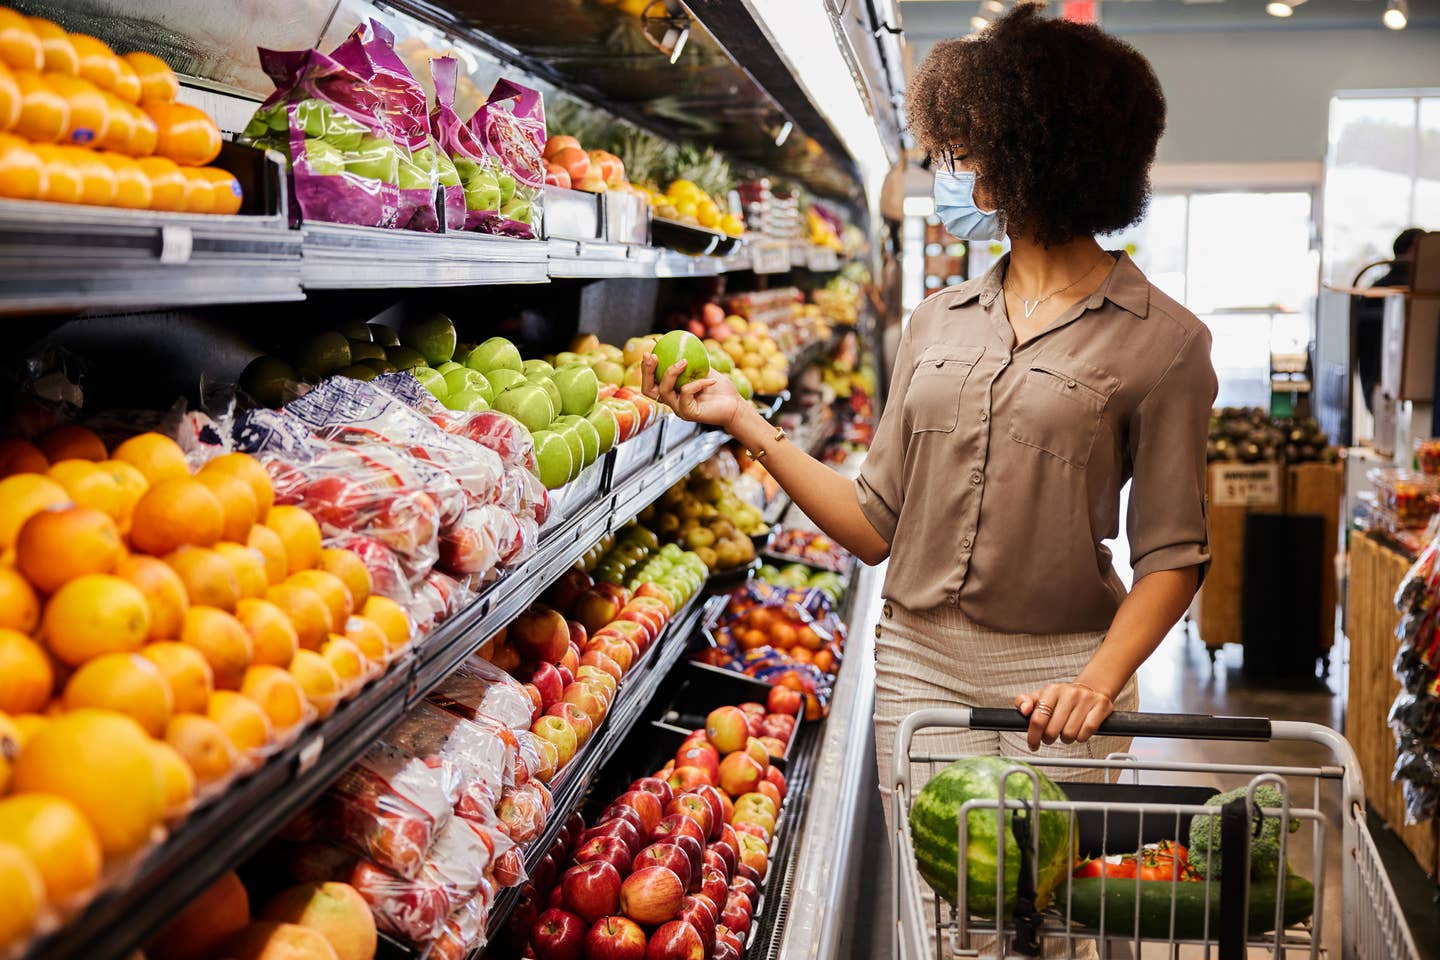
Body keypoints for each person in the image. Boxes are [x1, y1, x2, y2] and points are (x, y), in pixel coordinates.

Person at [644, 6, 1212, 800]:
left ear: (1037, 151)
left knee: (1041, 911)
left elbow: (1174, 554)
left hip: (1060, 682)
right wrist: (743, 420)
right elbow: (875, 525)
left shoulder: (1165, 343)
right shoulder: (937, 320)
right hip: (917, 669)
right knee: (932, 915)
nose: (951, 171)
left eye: (967, 149)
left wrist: (1098, 680)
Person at [1353, 227, 1422, 415]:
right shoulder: (1408, 290)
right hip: (1390, 377)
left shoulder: (1376, 287)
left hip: (1376, 378)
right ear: (1411, 251)